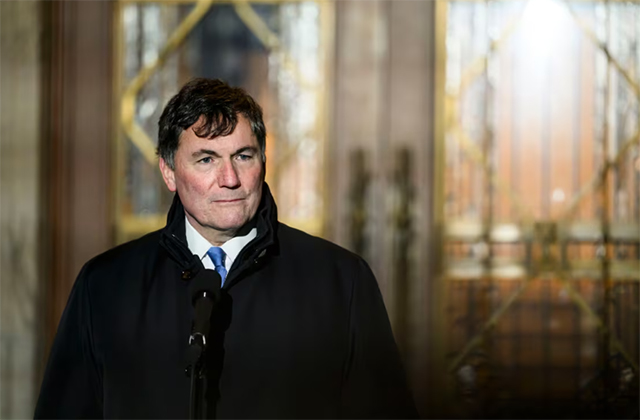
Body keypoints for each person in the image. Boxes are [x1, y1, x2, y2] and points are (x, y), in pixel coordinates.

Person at [35, 78, 418, 419]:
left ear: (263, 161)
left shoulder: (341, 281)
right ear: (169, 172)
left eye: (243, 156)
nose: (230, 179)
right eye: (206, 159)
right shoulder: (105, 286)